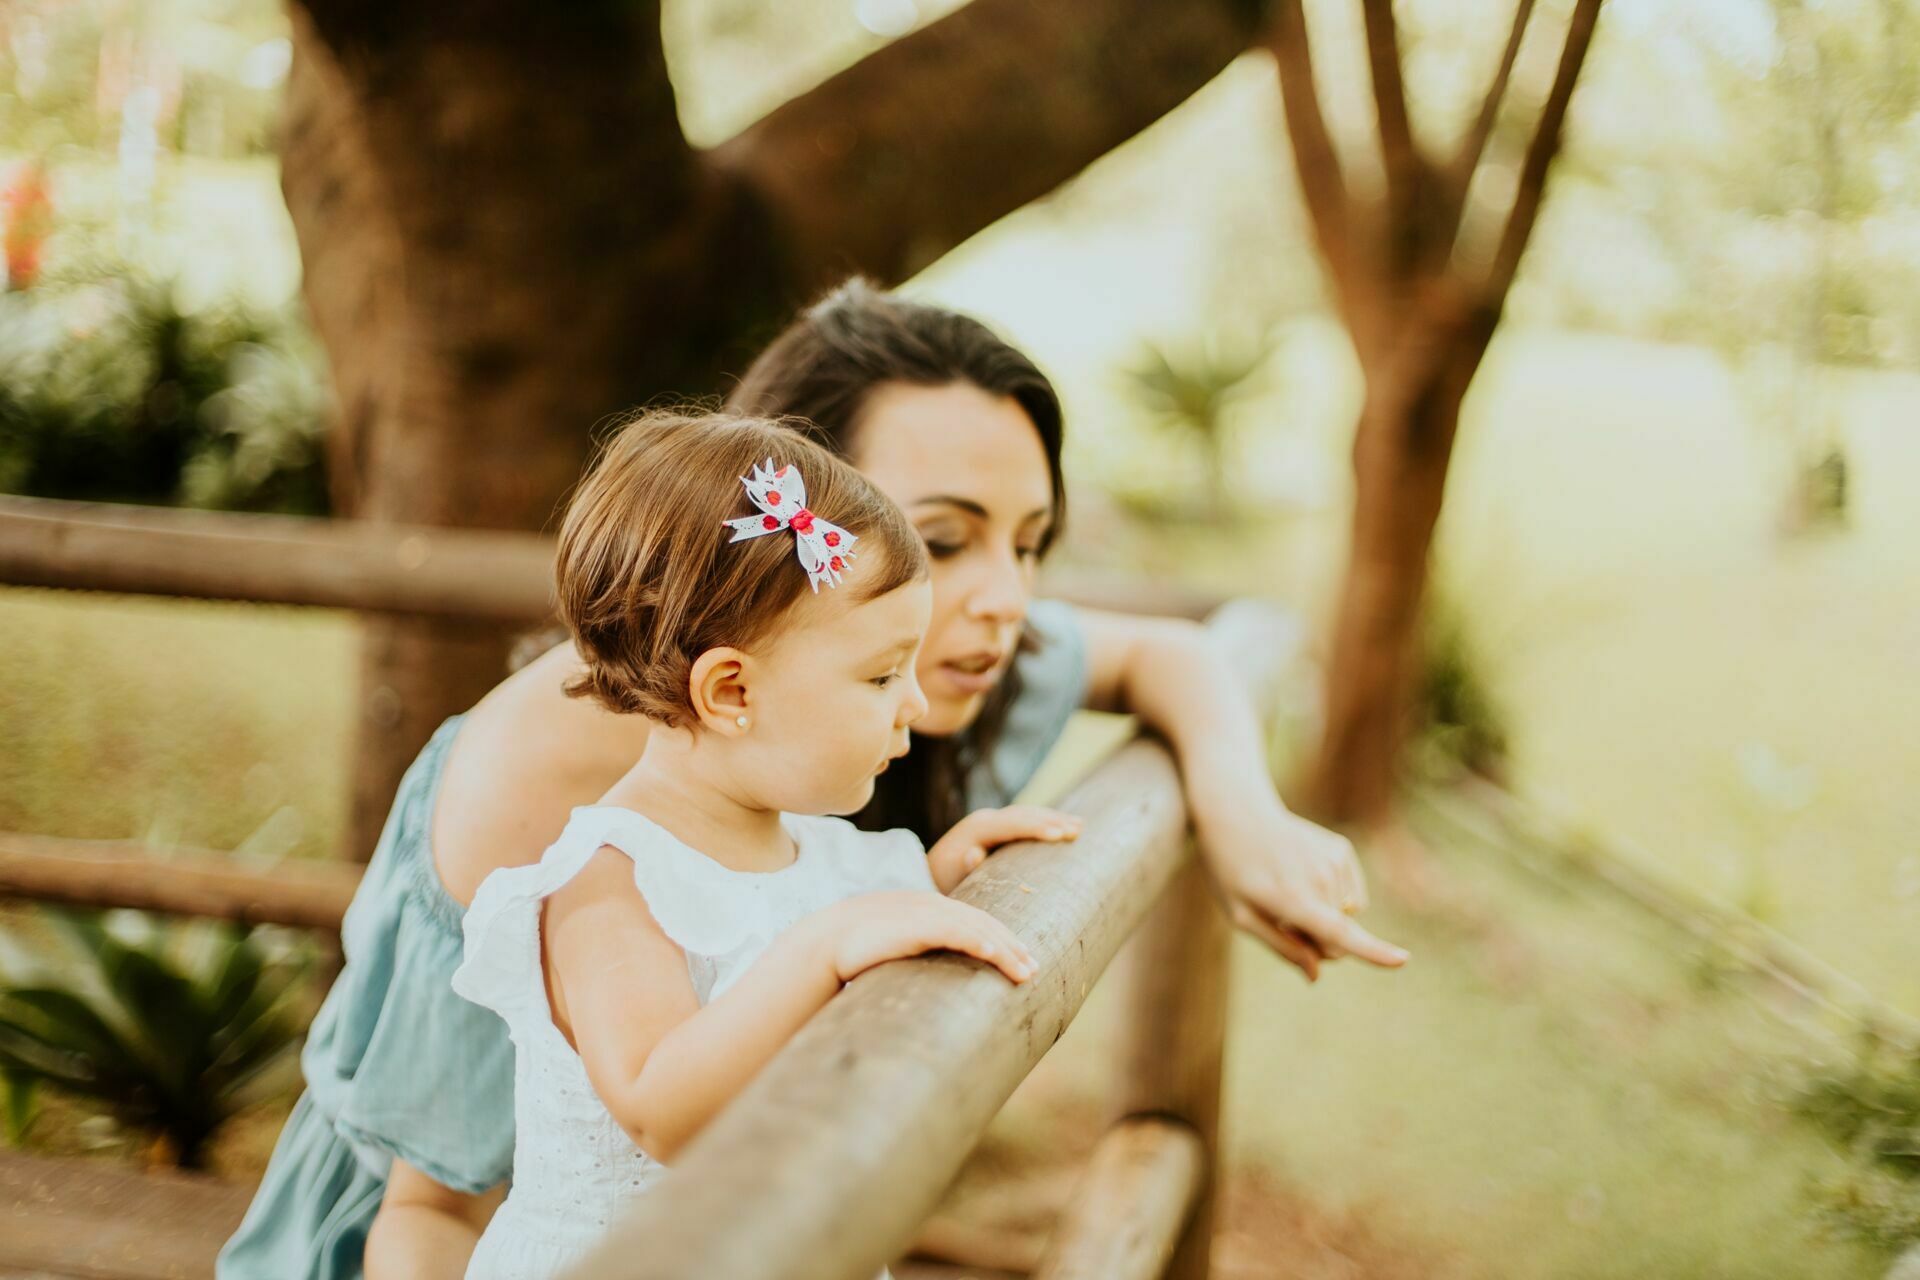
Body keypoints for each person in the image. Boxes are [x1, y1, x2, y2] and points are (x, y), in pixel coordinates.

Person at [217, 280, 1406, 1280]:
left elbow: (1170, 651)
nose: (1002, 599)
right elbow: (438, 1205)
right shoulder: (590, 774)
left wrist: (1245, 817)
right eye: (941, 536)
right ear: (786, 513)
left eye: (1030, 540)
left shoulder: (901, 656)